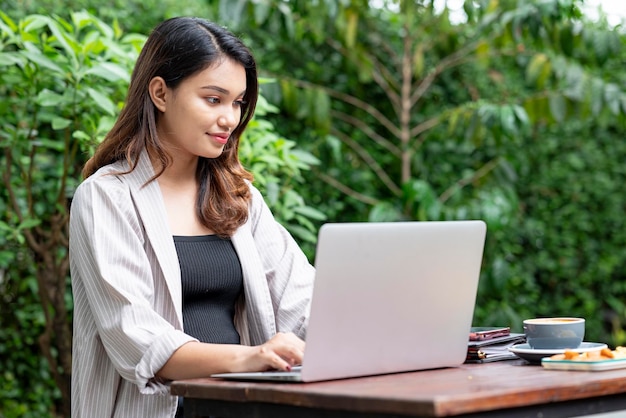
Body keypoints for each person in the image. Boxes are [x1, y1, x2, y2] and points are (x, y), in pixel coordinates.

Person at [69, 17, 315, 418]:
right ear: (161, 93)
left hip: (241, 408)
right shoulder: (106, 197)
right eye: (213, 99)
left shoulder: (238, 198)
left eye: (237, 102)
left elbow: (301, 302)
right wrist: (249, 357)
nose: (230, 119)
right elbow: (137, 338)